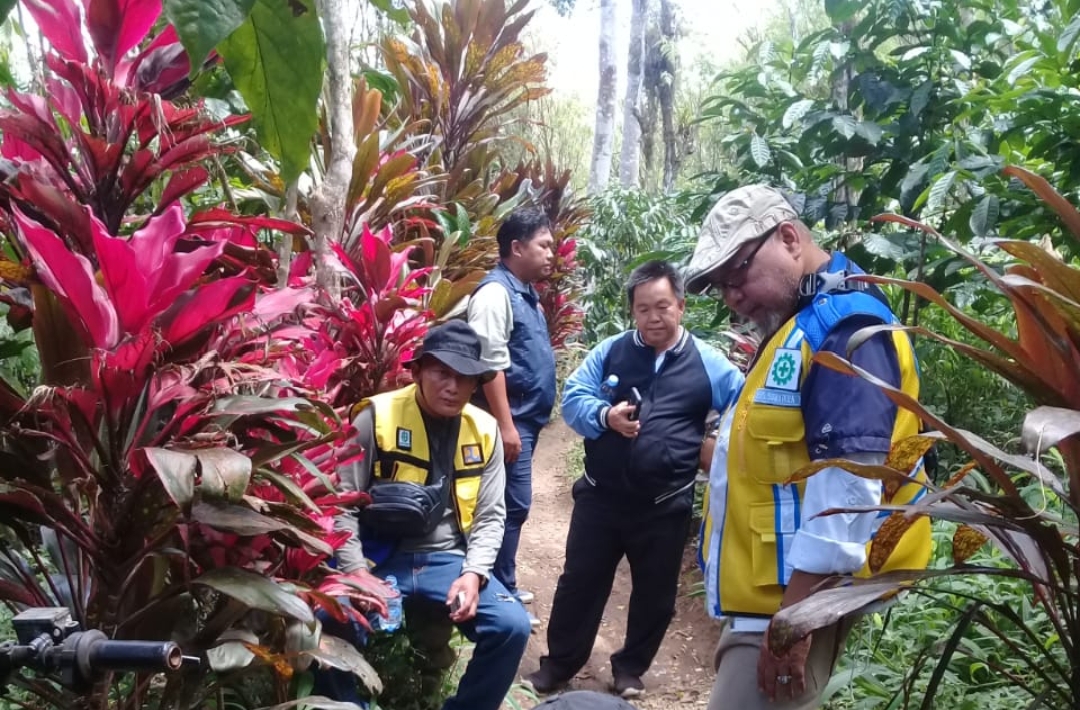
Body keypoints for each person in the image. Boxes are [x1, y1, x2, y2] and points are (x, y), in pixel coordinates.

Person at [685, 184, 932, 710]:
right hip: (769, 597)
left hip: (790, 600)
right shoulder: (799, 325)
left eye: (739, 273)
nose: (732, 296)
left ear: (790, 238)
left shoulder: (846, 327)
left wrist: (796, 621)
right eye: (721, 285)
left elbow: (851, 480)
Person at [524, 260, 744, 699]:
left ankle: (630, 669)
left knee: (655, 594)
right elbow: (573, 400)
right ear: (633, 312)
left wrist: (715, 443)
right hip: (601, 499)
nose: (653, 317)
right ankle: (559, 665)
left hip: (665, 504)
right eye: (642, 309)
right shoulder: (611, 351)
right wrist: (605, 416)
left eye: (662, 306)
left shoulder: (711, 364)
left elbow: (744, 407)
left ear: (680, 306)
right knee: (579, 582)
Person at [325, 320, 532, 710]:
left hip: (449, 561)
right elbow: (342, 503)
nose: (452, 387)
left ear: (476, 384)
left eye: (465, 377)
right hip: (381, 557)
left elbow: (490, 517)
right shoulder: (375, 417)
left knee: (511, 627)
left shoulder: (485, 430)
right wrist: (357, 574)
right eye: (441, 372)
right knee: (328, 618)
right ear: (417, 372)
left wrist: (473, 575)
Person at [467, 207, 558, 618]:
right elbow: (490, 362)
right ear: (517, 247)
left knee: (509, 505)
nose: (551, 253)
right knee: (509, 505)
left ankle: (502, 584)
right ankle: (497, 591)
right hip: (508, 420)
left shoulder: (524, 291)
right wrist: (506, 425)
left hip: (525, 419)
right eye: (544, 245)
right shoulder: (495, 293)